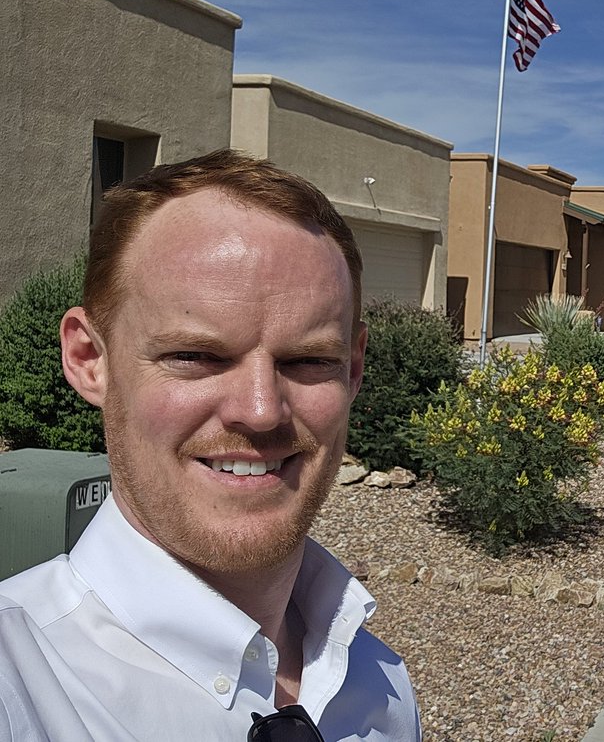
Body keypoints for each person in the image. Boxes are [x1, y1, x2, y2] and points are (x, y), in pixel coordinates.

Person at [0, 150, 422, 741]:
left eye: (308, 360)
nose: (258, 409)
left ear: (353, 369)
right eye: (195, 356)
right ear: (89, 359)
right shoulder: (20, 686)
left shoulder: (378, 686)